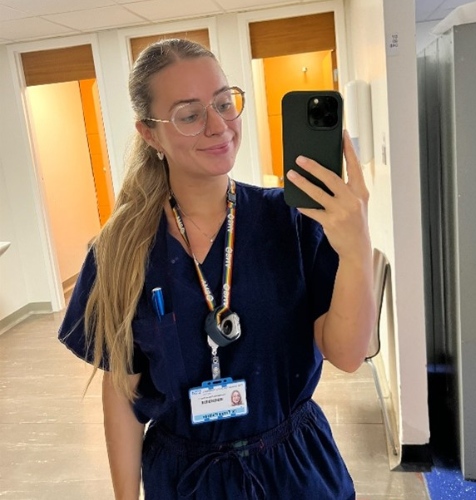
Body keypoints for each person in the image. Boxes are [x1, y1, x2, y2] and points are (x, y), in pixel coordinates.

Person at [58, 38, 375, 500]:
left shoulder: (290, 221)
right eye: (189, 115)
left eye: (225, 103)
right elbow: (123, 396)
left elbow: (347, 355)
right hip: (187, 481)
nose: (218, 126)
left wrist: (356, 248)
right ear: (149, 132)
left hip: (295, 472)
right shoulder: (119, 252)